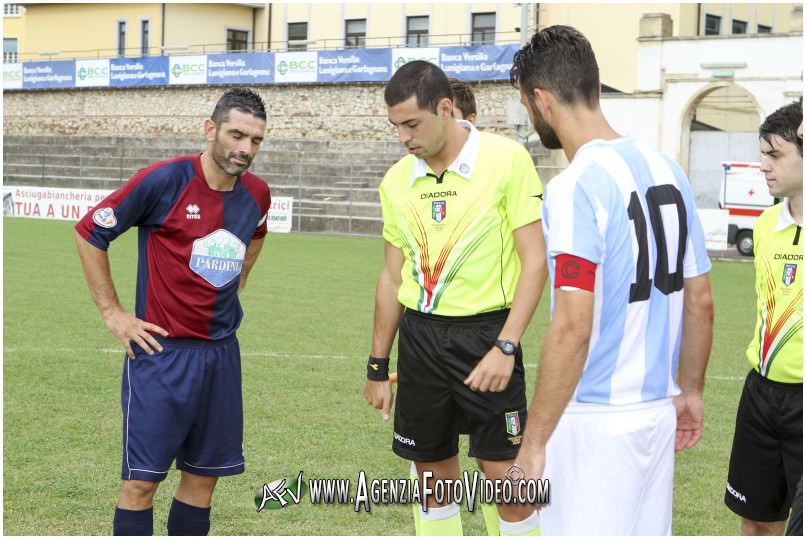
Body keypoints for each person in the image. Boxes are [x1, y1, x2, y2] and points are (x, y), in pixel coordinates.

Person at [509, 25, 714, 534]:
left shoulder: (574, 186)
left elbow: (573, 327)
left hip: (594, 421)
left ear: (541, 100)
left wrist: (532, 446)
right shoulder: (668, 169)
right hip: (655, 413)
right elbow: (701, 300)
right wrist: (690, 390)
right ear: (596, 89)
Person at [74, 87, 271, 536]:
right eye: (237, 135)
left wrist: (240, 279)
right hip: (161, 355)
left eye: (256, 140)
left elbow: (257, 232)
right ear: (210, 129)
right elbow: (90, 232)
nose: (245, 149)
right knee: (141, 485)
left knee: (203, 481)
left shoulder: (257, 193)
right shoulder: (163, 180)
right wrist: (114, 313)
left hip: (221, 356)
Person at [364, 60, 547, 536]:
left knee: (507, 483)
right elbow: (390, 277)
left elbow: (536, 262)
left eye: (412, 124)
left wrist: (506, 346)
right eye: (396, 126)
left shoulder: (507, 160)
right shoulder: (395, 182)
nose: (404, 137)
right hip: (421, 339)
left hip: (487, 334)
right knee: (432, 481)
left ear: (445, 109)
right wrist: (377, 367)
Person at [724, 99, 802, 536]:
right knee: (755, 521)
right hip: (761, 395)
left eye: (775, 155)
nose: (763, 165)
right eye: (762, 154)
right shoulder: (766, 225)